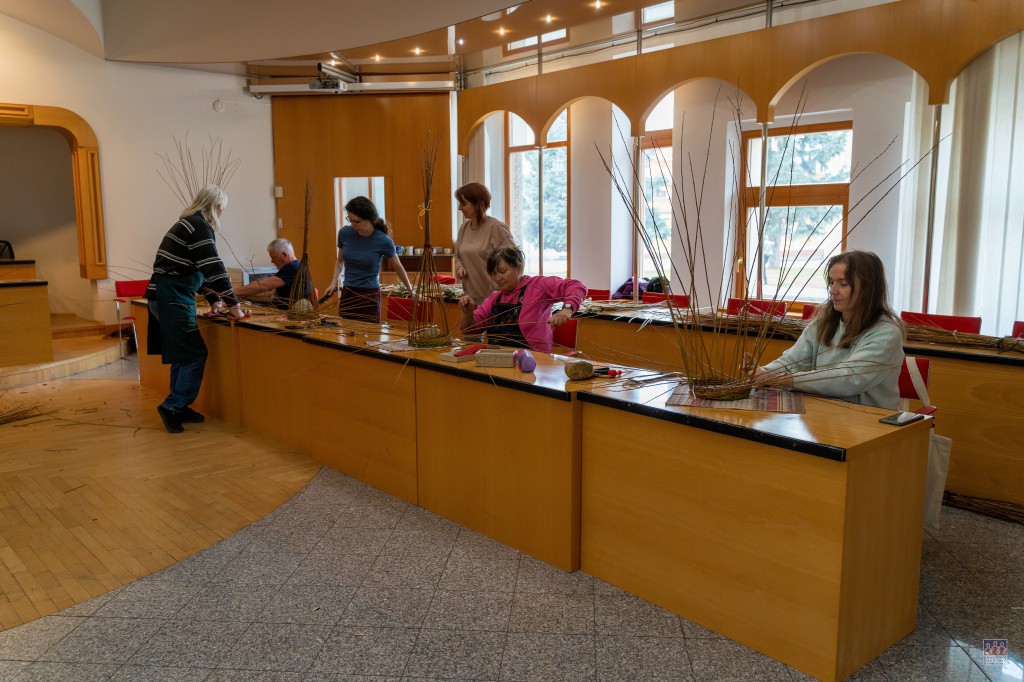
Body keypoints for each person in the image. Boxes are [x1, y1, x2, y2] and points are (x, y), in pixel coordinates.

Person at [742, 250, 904, 409]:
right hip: (824, 412)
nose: (832, 291)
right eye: (831, 282)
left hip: (868, 419)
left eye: (843, 284)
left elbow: (848, 379)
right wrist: (762, 373)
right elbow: (793, 362)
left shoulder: (887, 332)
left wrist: (781, 379)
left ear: (867, 289)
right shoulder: (823, 323)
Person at [146, 184, 245, 433]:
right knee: (194, 354)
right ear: (216, 207)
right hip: (172, 298)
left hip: (164, 296)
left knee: (182, 354)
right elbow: (213, 267)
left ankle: (180, 404)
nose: (221, 214)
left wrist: (214, 299)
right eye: (222, 209)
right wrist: (235, 305)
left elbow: (197, 269)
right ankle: (173, 406)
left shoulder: (187, 224)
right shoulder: (199, 226)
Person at [459, 246, 587, 353]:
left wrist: (567, 309)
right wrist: (468, 313)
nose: (498, 278)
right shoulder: (494, 298)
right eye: (494, 274)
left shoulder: (538, 286)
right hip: (497, 361)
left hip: (535, 362)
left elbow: (577, 286)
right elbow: (469, 330)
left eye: (503, 271)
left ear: (518, 268)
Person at [322, 196, 414, 323]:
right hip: (348, 292)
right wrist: (333, 283)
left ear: (370, 219)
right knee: (346, 330)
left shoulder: (384, 241)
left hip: (369, 295)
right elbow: (339, 261)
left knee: (369, 333)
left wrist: (410, 291)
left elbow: (398, 267)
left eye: (357, 221)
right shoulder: (344, 233)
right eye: (350, 220)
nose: (352, 225)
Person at [453, 182, 517, 306]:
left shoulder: (496, 227)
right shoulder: (463, 228)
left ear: (478, 205)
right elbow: (457, 256)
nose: (459, 208)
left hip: (495, 301)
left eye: (463, 204)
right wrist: (459, 266)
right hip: (469, 299)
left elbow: (513, 260)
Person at [234, 238, 309, 310]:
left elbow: (263, 286)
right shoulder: (296, 265)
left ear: (285, 254)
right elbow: (271, 294)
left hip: (285, 314)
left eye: (273, 257)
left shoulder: (293, 267)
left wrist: (231, 292)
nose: (272, 261)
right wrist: (243, 296)